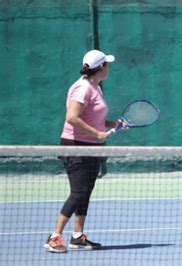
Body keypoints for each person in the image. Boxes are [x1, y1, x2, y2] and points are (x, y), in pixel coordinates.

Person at [44, 49, 119, 253]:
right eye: (107, 64)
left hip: (92, 147)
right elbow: (72, 117)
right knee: (78, 192)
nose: (109, 67)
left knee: (86, 191)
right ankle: (54, 237)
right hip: (75, 145)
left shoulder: (95, 87)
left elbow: (92, 117)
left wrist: (111, 124)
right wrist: (97, 132)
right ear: (101, 67)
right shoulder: (82, 88)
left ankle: (77, 236)